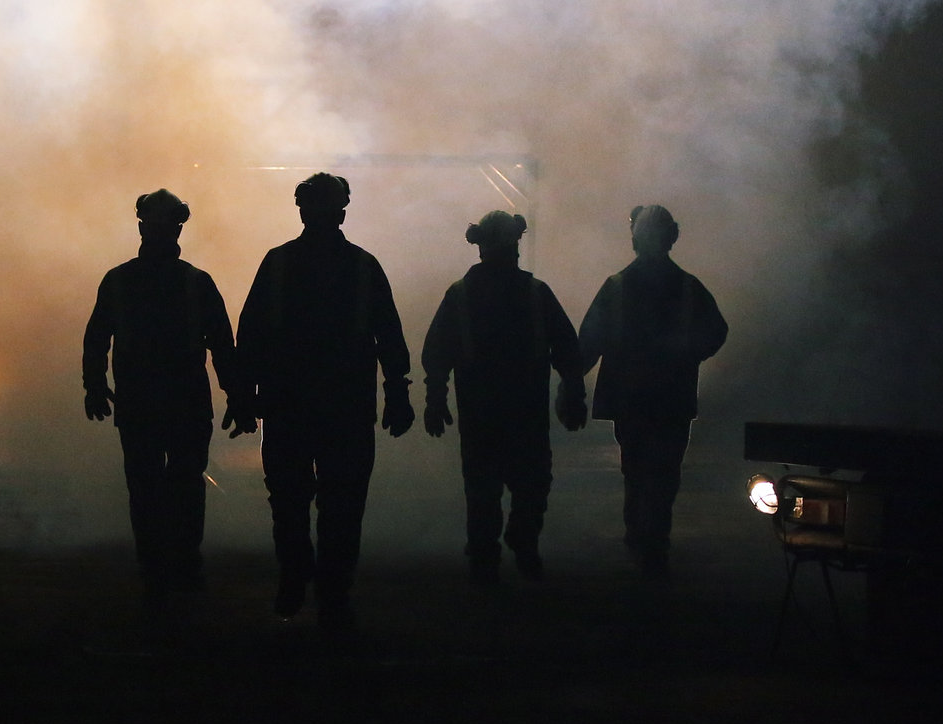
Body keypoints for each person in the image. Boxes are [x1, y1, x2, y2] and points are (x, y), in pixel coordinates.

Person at [238, 173, 413, 630]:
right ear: (342, 210)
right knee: (342, 502)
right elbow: (388, 334)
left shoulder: (278, 263)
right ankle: (331, 592)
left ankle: (297, 581)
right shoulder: (361, 265)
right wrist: (397, 392)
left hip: (290, 404)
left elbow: (251, 333)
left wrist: (244, 395)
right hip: (344, 405)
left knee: (291, 501)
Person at [82, 189, 253, 602]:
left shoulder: (120, 280)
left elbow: (97, 339)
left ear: (142, 226)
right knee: (184, 487)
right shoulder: (195, 283)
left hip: (143, 404)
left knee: (146, 488)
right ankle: (182, 567)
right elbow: (223, 347)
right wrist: (237, 396)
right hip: (185, 405)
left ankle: (156, 570)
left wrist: (95, 385)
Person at [420, 211, 588, 584]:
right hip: (523, 413)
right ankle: (519, 542)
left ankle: (487, 558)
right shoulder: (534, 293)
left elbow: (437, 353)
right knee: (531, 483)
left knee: (484, 489)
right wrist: (573, 392)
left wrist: (436, 399)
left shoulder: (461, 295)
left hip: (481, 413)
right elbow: (566, 350)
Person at [577, 205, 729, 578]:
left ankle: (638, 532)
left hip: (629, 396)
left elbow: (590, 339)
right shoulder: (688, 287)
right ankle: (654, 538)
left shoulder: (617, 286)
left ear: (636, 238)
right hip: (672, 397)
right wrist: (689, 354)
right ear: (671, 237)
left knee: (636, 465)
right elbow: (717, 331)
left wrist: (571, 380)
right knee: (665, 470)